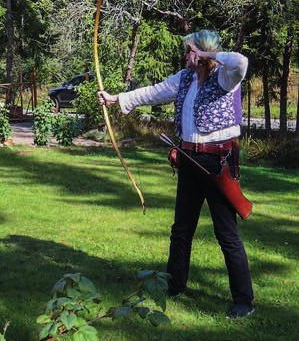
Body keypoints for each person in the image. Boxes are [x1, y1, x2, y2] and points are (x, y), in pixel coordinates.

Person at [98, 29, 255, 319]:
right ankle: (175, 285)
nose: (186, 56)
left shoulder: (225, 76)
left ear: (202, 52)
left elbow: (241, 62)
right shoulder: (184, 78)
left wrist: (209, 55)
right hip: (188, 159)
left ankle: (244, 300)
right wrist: (115, 99)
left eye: (190, 51)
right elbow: (153, 92)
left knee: (226, 233)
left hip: (218, 164)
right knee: (181, 229)